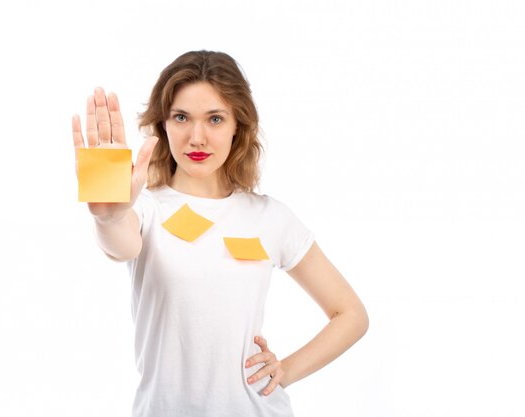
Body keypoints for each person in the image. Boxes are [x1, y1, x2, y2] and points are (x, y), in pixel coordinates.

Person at [71, 50, 369, 417]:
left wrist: (286, 370)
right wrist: (109, 216)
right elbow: (120, 244)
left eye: (214, 119)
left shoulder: (270, 217)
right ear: (163, 124)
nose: (197, 137)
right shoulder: (146, 209)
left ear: (237, 126)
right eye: (181, 117)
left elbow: (351, 314)